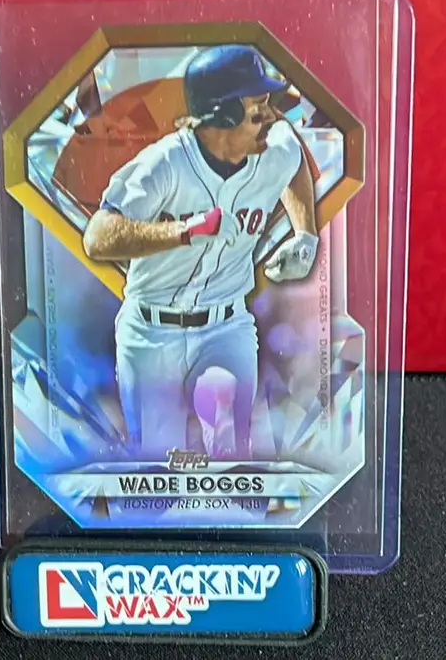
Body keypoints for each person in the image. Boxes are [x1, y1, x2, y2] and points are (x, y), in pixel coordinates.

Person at [83, 44, 318, 460]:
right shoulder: (166, 164)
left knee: (228, 432)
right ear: (223, 115)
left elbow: (292, 154)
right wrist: (185, 231)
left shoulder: (270, 153)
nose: (269, 116)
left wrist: (306, 234)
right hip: (150, 331)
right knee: (158, 461)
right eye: (257, 108)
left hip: (226, 327)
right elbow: (98, 237)